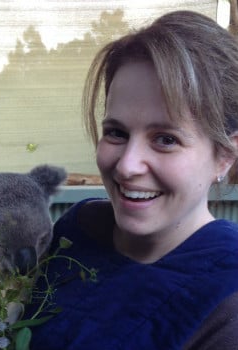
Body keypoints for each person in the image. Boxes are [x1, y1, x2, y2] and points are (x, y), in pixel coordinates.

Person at [28, 10, 238, 349]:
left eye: (166, 139)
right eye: (116, 132)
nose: (126, 167)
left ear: (225, 155)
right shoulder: (79, 227)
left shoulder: (228, 303)